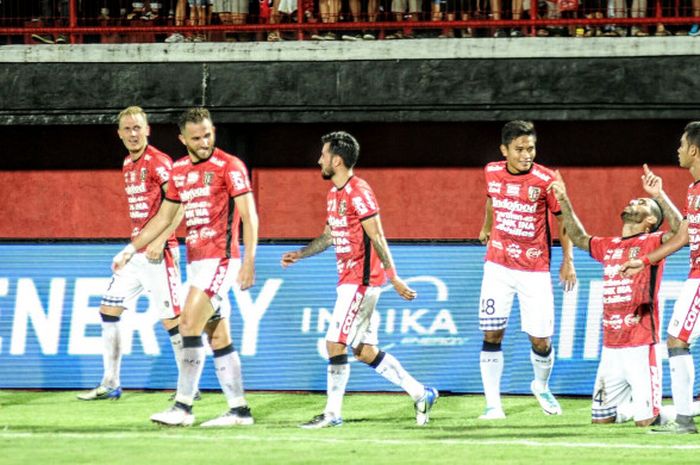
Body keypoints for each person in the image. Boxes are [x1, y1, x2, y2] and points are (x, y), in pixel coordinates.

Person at [281, 131, 438, 428]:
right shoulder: (334, 195)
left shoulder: (359, 191)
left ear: (337, 160)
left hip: (361, 282)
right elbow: (329, 235)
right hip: (349, 280)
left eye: (324, 155)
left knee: (334, 343)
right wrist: (301, 253)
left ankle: (332, 413)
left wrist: (395, 277)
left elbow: (376, 234)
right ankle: (421, 393)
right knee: (364, 351)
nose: (319, 160)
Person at [113, 107, 257, 427]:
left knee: (188, 324)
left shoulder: (229, 166)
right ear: (183, 139)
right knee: (217, 336)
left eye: (208, 135)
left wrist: (248, 262)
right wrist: (130, 249)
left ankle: (183, 407)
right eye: (196, 137)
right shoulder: (178, 171)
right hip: (196, 262)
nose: (204, 142)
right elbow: (164, 218)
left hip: (221, 259)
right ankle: (239, 410)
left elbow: (250, 215)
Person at [549, 165, 682, 426]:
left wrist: (660, 195)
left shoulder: (653, 242)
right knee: (602, 421)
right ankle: (639, 407)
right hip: (611, 347)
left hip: (640, 344)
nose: (634, 200)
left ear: (650, 221)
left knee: (647, 422)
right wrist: (563, 199)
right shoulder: (608, 246)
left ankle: (689, 408)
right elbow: (578, 237)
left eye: (642, 202)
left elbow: (681, 231)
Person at [77, 106, 185, 401]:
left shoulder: (159, 162)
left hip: (158, 253)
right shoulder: (127, 163)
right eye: (127, 129)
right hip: (137, 251)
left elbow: (180, 204)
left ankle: (189, 386)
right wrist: (133, 248)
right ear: (119, 134)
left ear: (148, 130)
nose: (133, 134)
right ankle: (110, 382)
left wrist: (162, 240)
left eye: (138, 128)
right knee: (108, 310)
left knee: (171, 320)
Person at [477, 120, 576, 420]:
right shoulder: (491, 171)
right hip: (497, 266)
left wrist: (567, 260)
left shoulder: (545, 180)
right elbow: (491, 199)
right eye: (519, 149)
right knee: (492, 333)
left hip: (534, 269)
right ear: (504, 150)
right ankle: (493, 405)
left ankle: (541, 385)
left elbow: (563, 220)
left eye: (530, 148)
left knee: (541, 340)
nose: (526, 154)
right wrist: (486, 226)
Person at [621, 122, 700, 434]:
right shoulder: (694, 189)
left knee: (677, 340)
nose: (678, 150)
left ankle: (683, 420)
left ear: (694, 150)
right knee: (677, 340)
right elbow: (682, 233)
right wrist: (643, 260)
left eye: (682, 145)